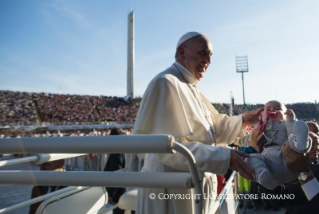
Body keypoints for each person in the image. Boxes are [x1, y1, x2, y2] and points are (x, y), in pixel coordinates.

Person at [133, 32, 262, 214]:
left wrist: (244, 119)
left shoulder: (191, 87)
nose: (208, 61)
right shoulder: (165, 82)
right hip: (169, 192)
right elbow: (169, 149)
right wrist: (225, 157)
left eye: (210, 55)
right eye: (203, 53)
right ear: (182, 52)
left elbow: (213, 130)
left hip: (192, 190)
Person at [238, 100, 311, 190]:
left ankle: (300, 145)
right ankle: (262, 175)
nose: (272, 110)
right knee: (251, 158)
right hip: (270, 167)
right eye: (268, 109)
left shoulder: (286, 123)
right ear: (261, 116)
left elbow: (291, 131)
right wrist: (237, 140)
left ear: (286, 114)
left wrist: (291, 120)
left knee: (293, 137)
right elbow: (246, 140)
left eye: (277, 108)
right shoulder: (258, 129)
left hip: (289, 158)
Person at [282, 134, 319, 214]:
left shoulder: (314, 169)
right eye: (311, 144)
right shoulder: (287, 169)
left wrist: (303, 172)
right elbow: (279, 198)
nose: (316, 148)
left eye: (317, 144)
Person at [104, 128, 126, 214]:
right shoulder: (120, 151)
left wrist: (111, 195)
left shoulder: (116, 154)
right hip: (120, 190)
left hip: (117, 193)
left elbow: (115, 174)